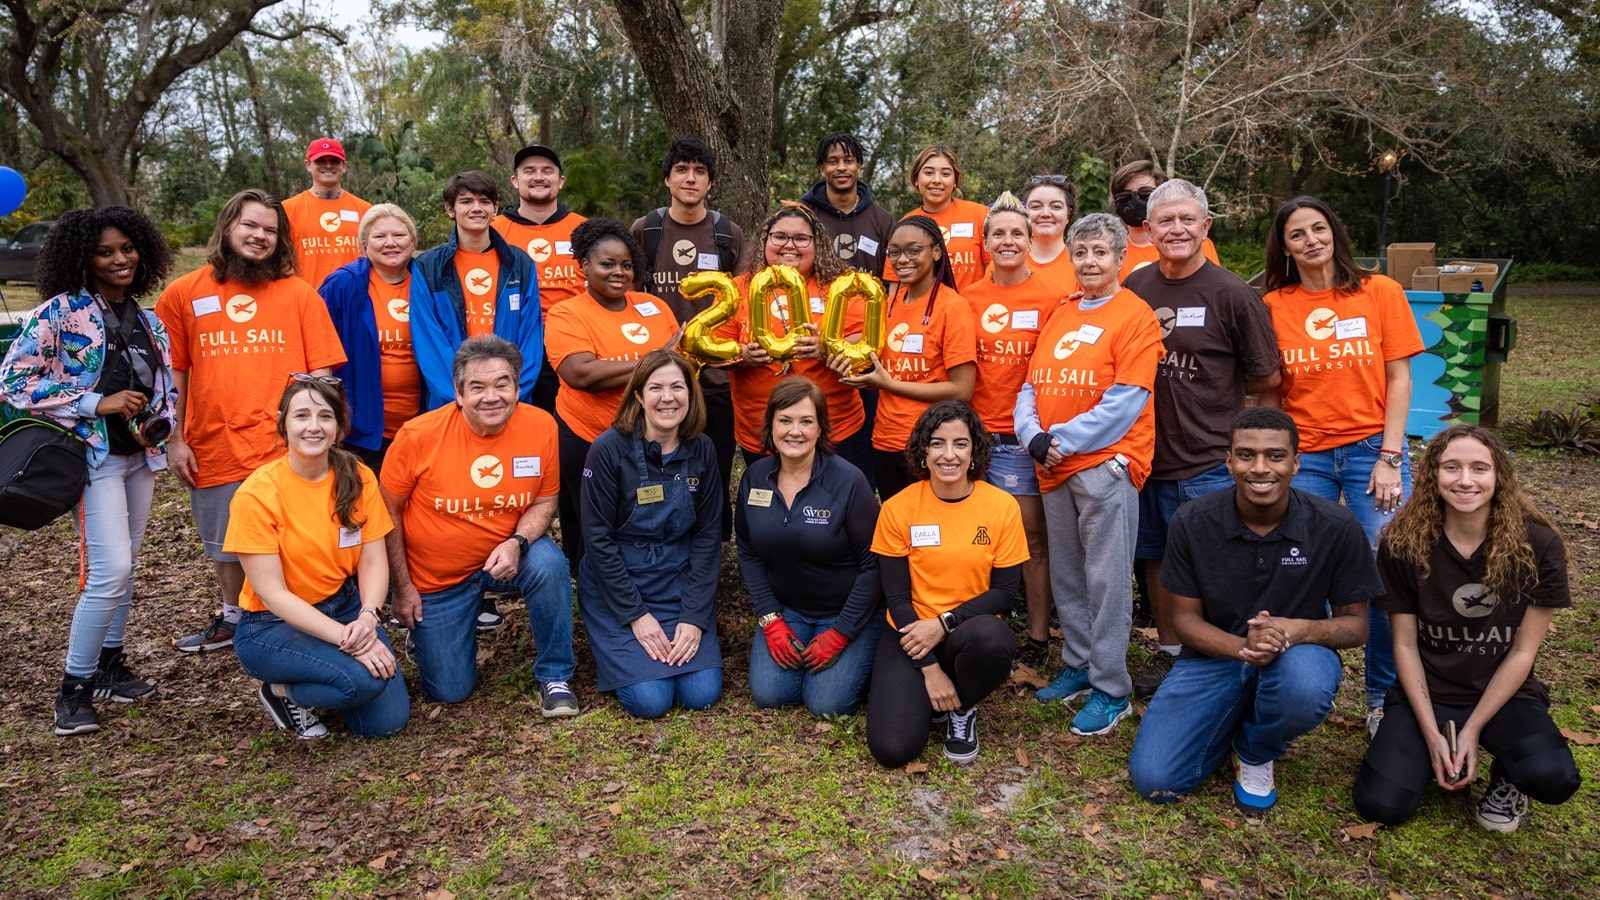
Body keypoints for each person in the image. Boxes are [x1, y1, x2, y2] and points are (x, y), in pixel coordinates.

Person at [1128, 408, 1381, 814]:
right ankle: (1235, 713)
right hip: (1213, 656)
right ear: (1228, 460)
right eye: (1246, 455)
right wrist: (1243, 648)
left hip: (1298, 656)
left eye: (1275, 456)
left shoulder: (1335, 525)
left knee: (1303, 685)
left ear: (1296, 463)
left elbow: (1356, 626)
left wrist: (1297, 631)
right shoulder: (1192, 521)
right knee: (1156, 781)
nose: (1260, 468)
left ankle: (1255, 748)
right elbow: (1184, 621)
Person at [1353, 426, 1581, 832]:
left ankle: (1508, 775)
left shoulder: (1539, 545)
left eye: (1480, 468)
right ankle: (1429, 750)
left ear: (1499, 478)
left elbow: (1523, 652)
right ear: (1432, 476)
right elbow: (1403, 647)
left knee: (1554, 777)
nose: (1465, 480)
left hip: (1504, 696)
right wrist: (1432, 733)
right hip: (1427, 693)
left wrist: (1473, 729)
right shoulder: (1403, 544)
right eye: (1451, 467)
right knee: (1381, 805)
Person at [1, 207, 176, 735]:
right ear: (83, 256)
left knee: (128, 565)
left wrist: (161, 424)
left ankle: (109, 666)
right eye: (106, 251)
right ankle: (72, 692)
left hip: (137, 457)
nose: (120, 259)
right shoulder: (59, 313)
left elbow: (161, 388)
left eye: (127, 248)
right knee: (111, 569)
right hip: (92, 458)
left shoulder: (150, 319)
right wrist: (92, 402)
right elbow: (13, 380)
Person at [155, 189, 347, 655]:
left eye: (270, 230)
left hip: (289, 444)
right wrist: (174, 440)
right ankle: (233, 616)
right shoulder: (184, 294)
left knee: (301, 535)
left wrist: (322, 431)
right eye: (251, 226)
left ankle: (302, 610)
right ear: (227, 227)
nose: (260, 236)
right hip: (215, 441)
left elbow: (322, 372)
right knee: (226, 542)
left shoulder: (299, 294)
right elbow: (171, 377)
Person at [1262, 194, 1425, 737]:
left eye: (1318, 228)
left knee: (1383, 572)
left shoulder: (1380, 292)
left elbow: (1400, 378)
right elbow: (1270, 391)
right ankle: (1298, 680)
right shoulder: (1272, 306)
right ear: (1283, 247)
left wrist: (1389, 456)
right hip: (1304, 457)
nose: (1310, 240)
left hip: (1370, 454)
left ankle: (1381, 695)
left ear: (1334, 231)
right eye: (1296, 234)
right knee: (1298, 566)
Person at [1124, 178, 1281, 699]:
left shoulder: (1233, 294)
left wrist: (1253, 455)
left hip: (1209, 460)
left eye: (1187, 219)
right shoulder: (1135, 288)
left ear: (1205, 226)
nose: (1176, 229)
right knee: (1157, 559)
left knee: (1214, 564)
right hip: (1146, 457)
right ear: (1147, 230)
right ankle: (1173, 657)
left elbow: (1266, 380)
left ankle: (1223, 662)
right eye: (1165, 221)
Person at [1019, 213, 1163, 737]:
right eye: (1081, 252)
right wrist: (1032, 435)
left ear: (1121, 257)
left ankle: (1111, 688)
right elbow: (1030, 386)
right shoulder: (1061, 311)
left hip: (1105, 466)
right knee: (1069, 575)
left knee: (1106, 580)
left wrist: (1061, 442)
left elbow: (1126, 401)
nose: (1089, 262)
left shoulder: (1136, 316)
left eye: (1101, 252)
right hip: (1053, 465)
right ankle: (1078, 665)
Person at [378, 336, 578, 715]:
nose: (492, 396)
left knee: (549, 563)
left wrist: (518, 541)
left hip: (506, 558)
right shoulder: (417, 437)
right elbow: (386, 515)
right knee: (450, 691)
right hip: (438, 576)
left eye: (502, 384)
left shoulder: (541, 426)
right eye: (478, 387)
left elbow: (544, 500)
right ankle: (431, 636)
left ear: (518, 388)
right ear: (457, 393)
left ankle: (556, 675)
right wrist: (402, 589)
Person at [225, 376, 408, 739]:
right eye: (301, 415)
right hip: (272, 626)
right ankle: (281, 692)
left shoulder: (357, 477)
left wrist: (368, 618)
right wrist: (349, 640)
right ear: (283, 423)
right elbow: (274, 595)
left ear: (339, 427)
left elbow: (372, 560)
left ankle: (332, 677)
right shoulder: (257, 495)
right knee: (362, 682)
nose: (313, 426)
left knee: (388, 723)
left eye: (325, 416)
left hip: (346, 607)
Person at [866, 401, 1027, 767]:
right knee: (892, 749)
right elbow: (895, 596)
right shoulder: (898, 508)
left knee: (993, 639)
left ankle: (962, 708)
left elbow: (1004, 593)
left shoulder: (1001, 507)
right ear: (923, 451)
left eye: (960, 443)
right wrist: (930, 668)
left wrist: (944, 623)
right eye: (937, 443)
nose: (948, 455)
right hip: (909, 632)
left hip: (968, 630)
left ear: (975, 451)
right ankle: (934, 692)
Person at [578, 350, 723, 719]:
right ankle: (628, 653)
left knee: (702, 692)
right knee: (650, 700)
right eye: (656, 387)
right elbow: (597, 540)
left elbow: (707, 538)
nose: (668, 397)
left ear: (691, 395)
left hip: (678, 580)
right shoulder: (607, 450)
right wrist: (636, 615)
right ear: (639, 395)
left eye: (678, 387)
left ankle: (677, 638)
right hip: (621, 585)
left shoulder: (703, 449)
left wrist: (694, 616)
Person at [962, 191, 1065, 668]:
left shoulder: (1054, 298)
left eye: (1015, 233)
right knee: (976, 537)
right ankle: (982, 626)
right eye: (997, 233)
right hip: (973, 438)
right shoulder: (969, 298)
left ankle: (1039, 636)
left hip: (1024, 439)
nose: (1007, 241)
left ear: (1030, 239)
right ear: (985, 243)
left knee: (1031, 540)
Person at [737, 377, 882, 716]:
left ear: (821, 428)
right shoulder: (755, 478)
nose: (795, 431)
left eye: (806, 421)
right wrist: (770, 619)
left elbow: (874, 564)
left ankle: (871, 656)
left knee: (826, 704)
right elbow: (748, 552)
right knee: (771, 696)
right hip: (789, 611)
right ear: (771, 424)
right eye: (785, 420)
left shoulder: (849, 481)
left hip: (847, 612)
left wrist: (841, 632)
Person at [545, 218, 681, 569]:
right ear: (585, 266)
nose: (618, 272)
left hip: (650, 436)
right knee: (591, 521)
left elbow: (678, 362)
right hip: (587, 435)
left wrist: (661, 363)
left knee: (644, 511)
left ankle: (647, 577)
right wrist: (655, 361)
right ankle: (590, 587)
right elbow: (581, 373)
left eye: (627, 265)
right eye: (607, 264)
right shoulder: (568, 313)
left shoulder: (654, 307)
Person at [631, 138, 745, 544]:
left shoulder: (726, 233)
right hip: (659, 379)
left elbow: (741, 301)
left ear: (710, 182)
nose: (690, 178)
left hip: (714, 380)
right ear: (667, 179)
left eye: (699, 171)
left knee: (712, 467)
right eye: (681, 170)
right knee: (659, 466)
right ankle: (660, 545)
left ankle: (710, 553)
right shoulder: (647, 231)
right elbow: (629, 296)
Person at [830, 215, 976, 499]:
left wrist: (888, 384)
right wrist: (826, 344)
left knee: (929, 530)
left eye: (913, 250)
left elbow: (962, 389)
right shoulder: (889, 303)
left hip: (929, 442)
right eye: (894, 252)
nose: (902, 259)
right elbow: (881, 363)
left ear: (936, 252)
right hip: (884, 440)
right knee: (897, 524)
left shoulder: (953, 307)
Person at [722, 202, 870, 475]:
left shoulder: (843, 284)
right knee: (773, 510)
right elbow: (715, 348)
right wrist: (741, 355)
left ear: (818, 244)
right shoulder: (739, 287)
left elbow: (867, 342)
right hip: (762, 429)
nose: (789, 245)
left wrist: (826, 347)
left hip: (836, 428)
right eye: (779, 236)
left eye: (801, 238)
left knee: (843, 508)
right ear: (765, 240)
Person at [410, 171, 541, 411]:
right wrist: (461, 399)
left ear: (495, 208)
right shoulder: (428, 267)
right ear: (450, 209)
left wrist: (511, 395)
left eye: (484, 201)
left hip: (510, 404)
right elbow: (428, 341)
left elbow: (531, 338)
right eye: (466, 201)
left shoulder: (520, 264)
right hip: (451, 404)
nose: (476, 208)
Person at [318, 204, 424, 474]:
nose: (391, 243)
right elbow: (317, 349)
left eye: (399, 235)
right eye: (379, 237)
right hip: (359, 429)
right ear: (363, 244)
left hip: (420, 424)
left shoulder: (427, 282)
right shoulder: (342, 285)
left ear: (413, 241)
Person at [492, 144, 589, 414]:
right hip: (513, 340)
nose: (538, 177)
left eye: (547, 171)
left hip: (574, 343)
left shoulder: (584, 228)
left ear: (560, 181)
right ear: (515, 180)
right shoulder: (494, 230)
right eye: (529, 171)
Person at [889, 146, 990, 290]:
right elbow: (896, 290)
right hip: (923, 311)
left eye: (945, 174)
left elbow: (995, 271)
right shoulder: (903, 228)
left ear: (955, 180)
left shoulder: (979, 215)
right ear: (916, 179)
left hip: (972, 310)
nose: (937, 180)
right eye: (929, 173)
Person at [280, 138, 372, 290]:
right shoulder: (288, 209)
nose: (328, 165)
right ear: (308, 165)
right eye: (320, 160)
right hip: (308, 299)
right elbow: (281, 262)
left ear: (344, 166)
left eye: (334, 161)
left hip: (354, 299)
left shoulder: (364, 209)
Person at [800, 132, 896, 276]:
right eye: (833, 161)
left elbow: (892, 276)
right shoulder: (802, 215)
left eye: (848, 161)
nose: (841, 167)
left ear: (859, 166)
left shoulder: (883, 221)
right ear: (822, 169)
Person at [1107, 160, 1219, 281]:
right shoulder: (1107, 250)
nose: (1135, 201)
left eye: (1145, 193)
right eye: (1125, 196)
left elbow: (1213, 287)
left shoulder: (1193, 244)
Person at [1017, 174, 1079, 298]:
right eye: (1036, 207)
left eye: (1056, 207)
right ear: (1024, 213)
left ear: (1068, 213)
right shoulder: (1005, 261)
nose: (1045, 214)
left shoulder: (1082, 263)